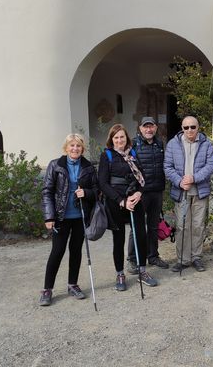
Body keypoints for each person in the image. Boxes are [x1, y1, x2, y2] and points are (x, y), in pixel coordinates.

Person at [39, 133, 98, 306]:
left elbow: (96, 191)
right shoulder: (55, 165)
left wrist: (86, 193)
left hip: (80, 216)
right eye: (72, 145)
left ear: (82, 148)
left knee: (76, 251)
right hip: (60, 217)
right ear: (66, 148)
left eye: (78, 145)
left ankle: (72, 285)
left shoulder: (88, 166)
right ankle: (47, 289)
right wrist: (49, 216)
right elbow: (47, 191)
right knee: (57, 251)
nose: (75, 148)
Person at [97, 124, 158, 291]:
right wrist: (121, 201)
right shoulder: (107, 155)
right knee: (119, 238)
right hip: (116, 201)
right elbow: (103, 183)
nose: (119, 140)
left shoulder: (132, 153)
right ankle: (120, 273)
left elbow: (142, 176)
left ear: (126, 138)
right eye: (116, 138)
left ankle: (142, 271)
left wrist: (139, 193)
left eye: (122, 137)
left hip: (135, 199)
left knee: (140, 234)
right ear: (112, 140)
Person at [164, 116, 213, 272]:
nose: (189, 130)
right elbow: (167, 167)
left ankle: (196, 257)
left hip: (200, 191)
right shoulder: (173, 144)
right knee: (182, 226)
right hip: (181, 192)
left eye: (192, 127)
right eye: (186, 127)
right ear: (182, 128)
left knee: (198, 226)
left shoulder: (206, 144)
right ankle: (183, 259)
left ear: (198, 127)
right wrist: (179, 181)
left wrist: (194, 178)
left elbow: (211, 164)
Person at [126, 117, 169, 274]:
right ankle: (133, 259)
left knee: (153, 226)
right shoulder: (133, 144)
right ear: (140, 128)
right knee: (136, 227)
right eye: (146, 127)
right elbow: (128, 169)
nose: (148, 130)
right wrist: (132, 190)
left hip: (157, 191)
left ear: (155, 128)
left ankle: (153, 256)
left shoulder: (160, 144)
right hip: (140, 193)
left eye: (151, 127)